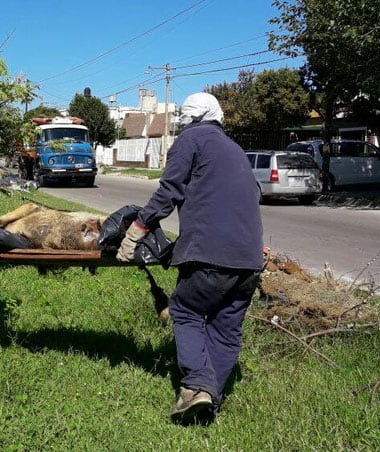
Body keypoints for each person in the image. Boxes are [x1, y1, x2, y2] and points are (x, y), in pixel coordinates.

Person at [117, 92, 263, 424]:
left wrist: (138, 228)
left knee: (186, 311)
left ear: (189, 119)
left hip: (210, 253)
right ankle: (210, 401)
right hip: (250, 260)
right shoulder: (236, 149)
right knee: (226, 328)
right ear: (218, 116)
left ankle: (196, 386)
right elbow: (251, 196)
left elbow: (170, 190)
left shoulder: (191, 139)